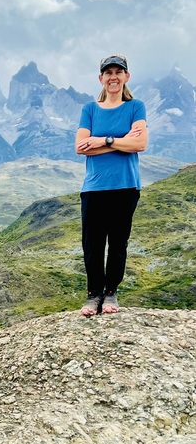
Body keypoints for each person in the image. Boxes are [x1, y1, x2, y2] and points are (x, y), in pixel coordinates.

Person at [75, 54, 148, 316]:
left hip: (126, 186)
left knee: (118, 243)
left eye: (118, 72)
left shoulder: (135, 107)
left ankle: (111, 293)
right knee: (92, 244)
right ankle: (94, 294)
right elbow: (81, 147)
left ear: (126, 76)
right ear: (101, 78)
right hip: (94, 187)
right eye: (108, 73)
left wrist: (103, 141)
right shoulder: (90, 109)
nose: (113, 77)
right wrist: (121, 141)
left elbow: (140, 144)